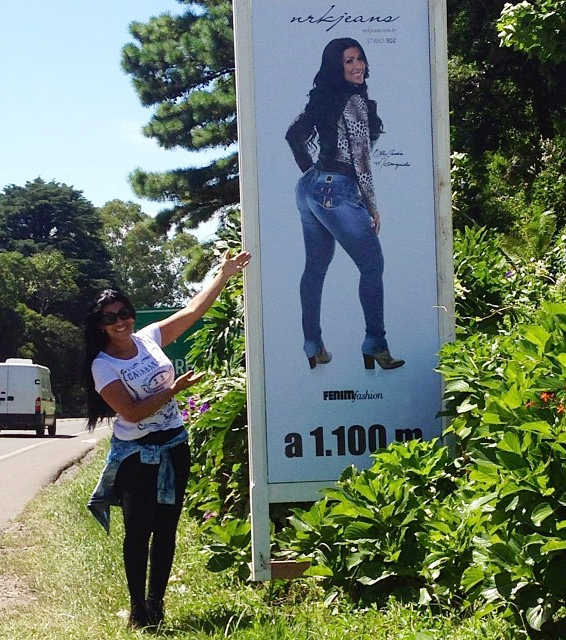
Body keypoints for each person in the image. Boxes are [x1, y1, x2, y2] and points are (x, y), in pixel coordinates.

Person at [83, 250, 250, 631]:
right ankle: (137, 608)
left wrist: (223, 274)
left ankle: (157, 604)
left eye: (124, 313)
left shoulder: (149, 338)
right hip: (137, 457)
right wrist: (175, 390)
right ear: (101, 326)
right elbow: (132, 413)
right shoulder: (103, 365)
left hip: (174, 447)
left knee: (167, 529)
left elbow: (193, 312)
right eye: (110, 318)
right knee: (138, 531)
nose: (121, 322)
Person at [285, 37, 404, 371]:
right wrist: (372, 206)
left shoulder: (325, 98)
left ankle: (313, 346)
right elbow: (362, 161)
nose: (357, 66)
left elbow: (294, 135)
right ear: (337, 67)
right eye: (348, 61)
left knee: (315, 268)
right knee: (372, 265)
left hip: (310, 190)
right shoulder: (352, 101)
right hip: (336, 190)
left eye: (359, 59)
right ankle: (375, 344)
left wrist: (312, 173)